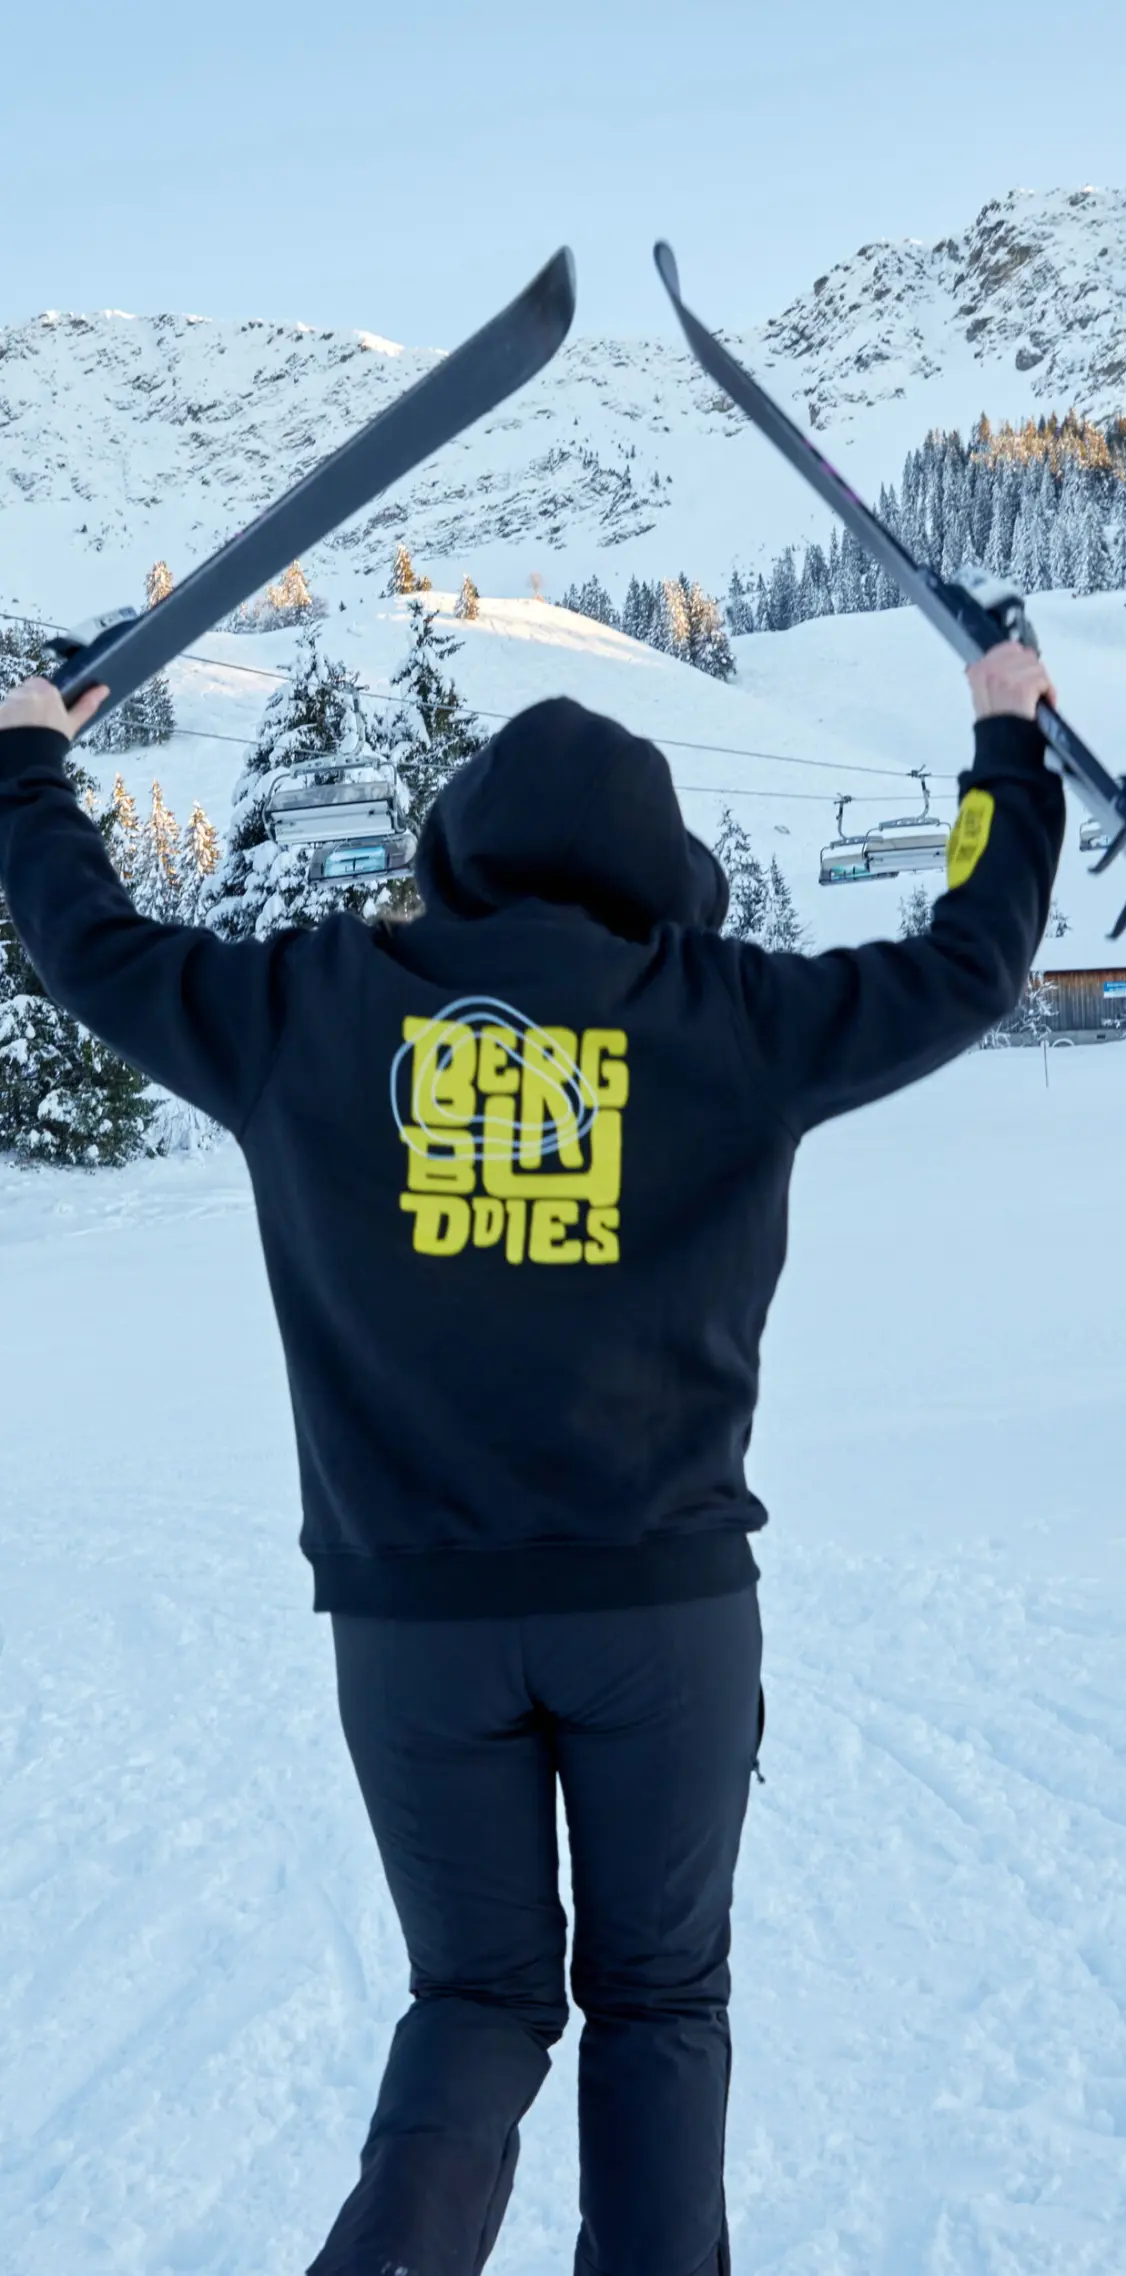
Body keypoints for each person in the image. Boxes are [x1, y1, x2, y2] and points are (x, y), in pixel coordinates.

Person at [0, 639, 1063, 2276]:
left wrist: (27, 769)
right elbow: (973, 960)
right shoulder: (734, 1018)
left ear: (457, 853)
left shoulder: (305, 1009)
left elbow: (87, 944)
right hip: (663, 1618)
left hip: (414, 1631)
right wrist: (1007, 750)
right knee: (660, 2001)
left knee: (478, 1999)